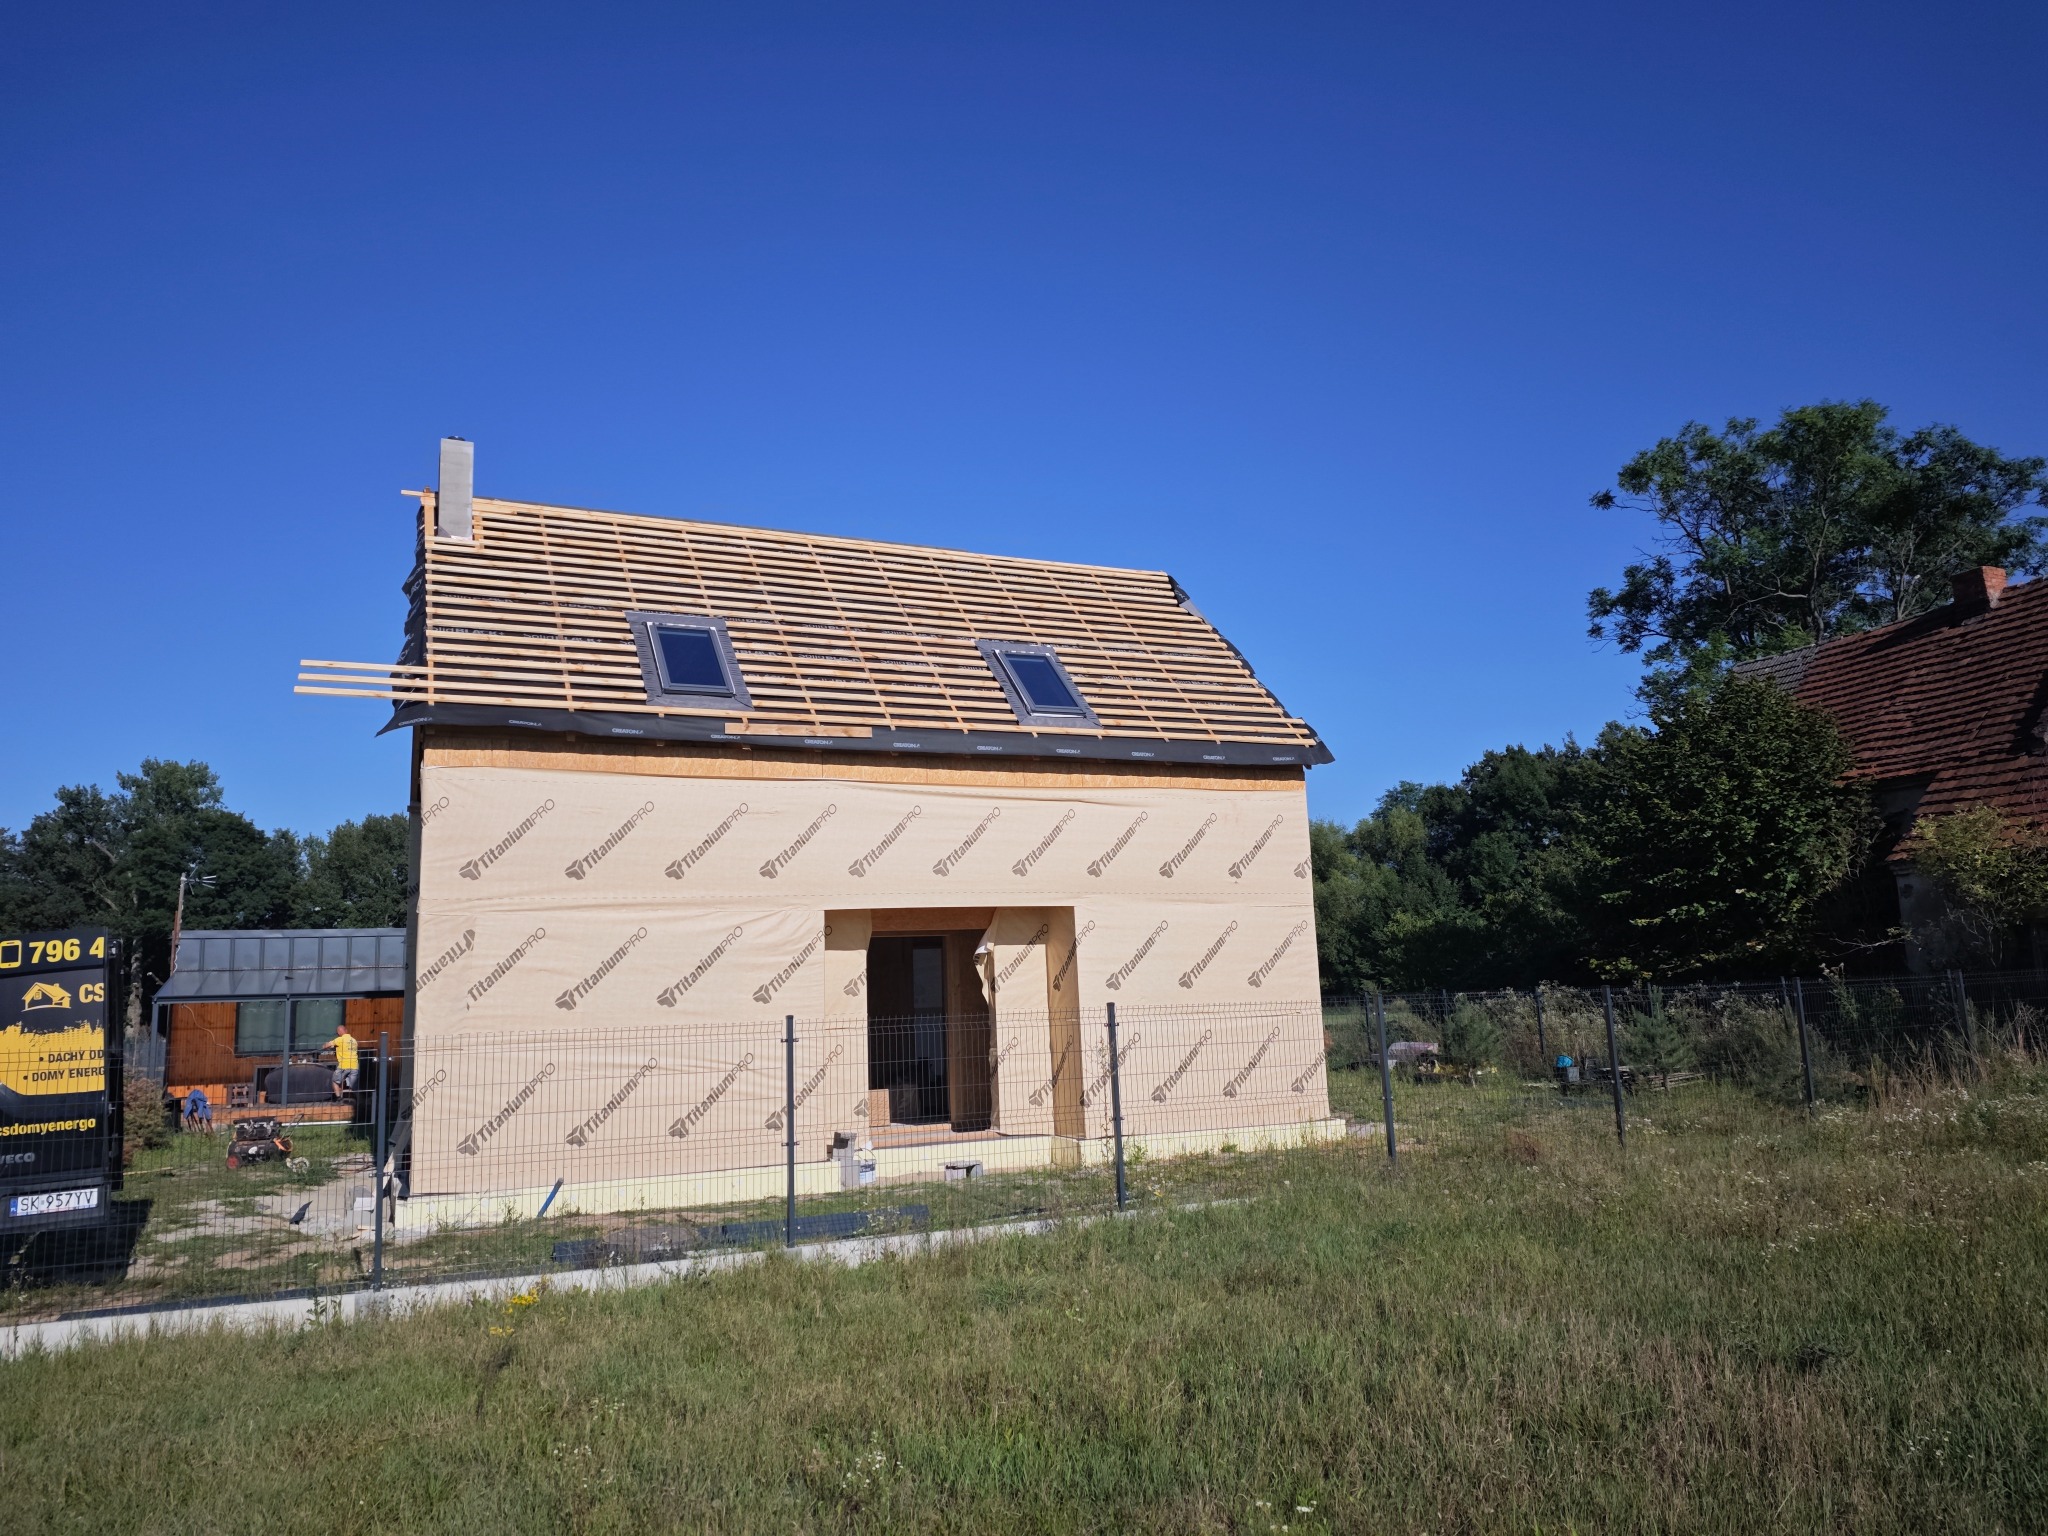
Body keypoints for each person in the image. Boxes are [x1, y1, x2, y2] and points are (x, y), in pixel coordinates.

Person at [322, 1025, 361, 1099]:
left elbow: (326, 1045)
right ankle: (357, 1102)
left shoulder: (339, 1040)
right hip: (354, 1066)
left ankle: (339, 1098)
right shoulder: (354, 1041)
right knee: (352, 1086)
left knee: (335, 1081)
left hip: (344, 1066)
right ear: (346, 1031)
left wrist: (324, 1046)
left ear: (339, 1032)